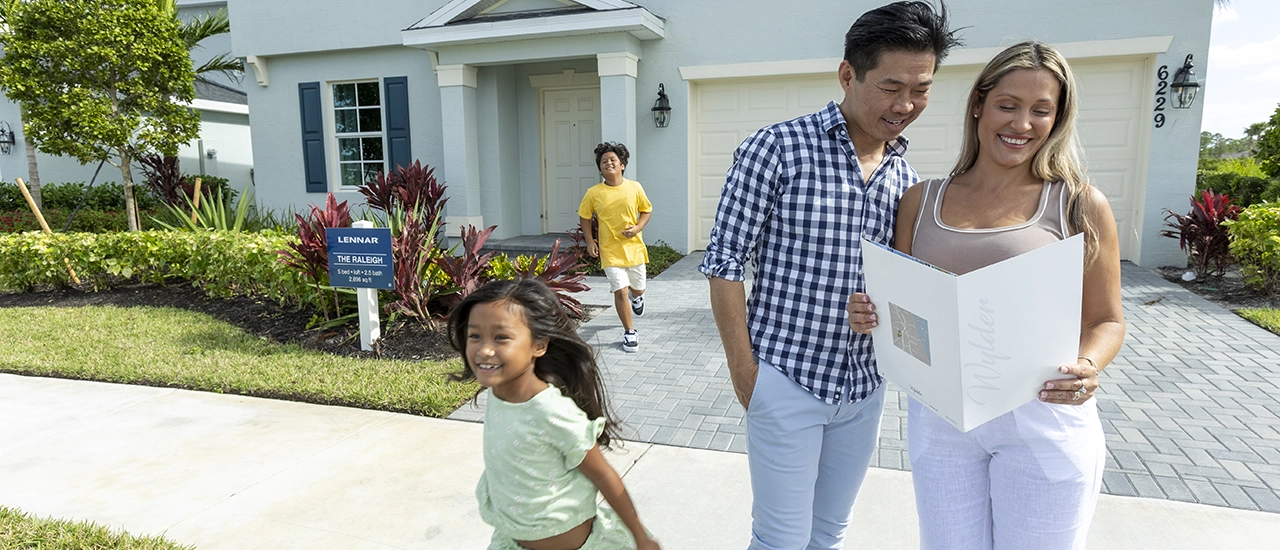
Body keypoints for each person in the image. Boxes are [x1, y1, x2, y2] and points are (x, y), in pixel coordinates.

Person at [698, 2, 960, 548]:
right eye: (892, 87)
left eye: (922, 88)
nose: (907, 104)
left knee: (829, 534)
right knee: (780, 539)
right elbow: (724, 261)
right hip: (787, 378)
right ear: (849, 74)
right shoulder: (775, 149)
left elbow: (903, 289)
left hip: (863, 390)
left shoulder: (905, 179)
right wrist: (746, 373)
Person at [848, 41, 1126, 549]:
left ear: (1057, 118)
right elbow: (902, 310)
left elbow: (1107, 319)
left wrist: (1088, 365)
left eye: (1041, 110)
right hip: (942, 421)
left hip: (1044, 414)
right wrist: (871, 313)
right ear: (979, 102)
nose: (1022, 123)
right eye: (1008, 105)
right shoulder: (921, 200)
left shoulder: (1079, 204)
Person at [449, 279, 660, 550]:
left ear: (539, 345)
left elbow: (603, 475)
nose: (484, 349)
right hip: (511, 540)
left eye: (501, 337)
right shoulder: (496, 392)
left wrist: (640, 537)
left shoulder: (551, 411)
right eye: (475, 335)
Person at [579, 141, 653, 353]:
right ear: (600, 168)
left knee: (637, 288)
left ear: (622, 165)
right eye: (604, 161)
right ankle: (630, 332)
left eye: (613, 160)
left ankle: (637, 297)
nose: (609, 163)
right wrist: (590, 241)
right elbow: (584, 217)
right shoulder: (593, 193)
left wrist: (637, 228)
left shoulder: (635, 187)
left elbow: (646, 211)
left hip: (634, 248)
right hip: (610, 250)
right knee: (620, 291)